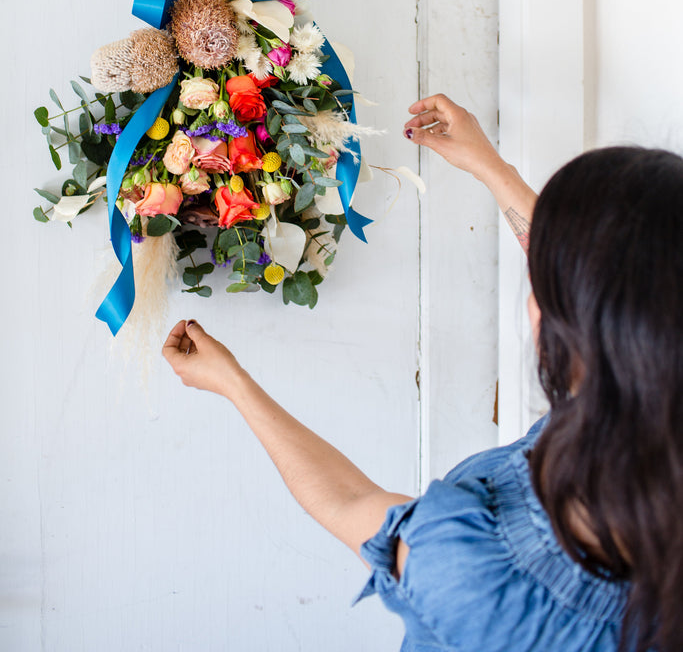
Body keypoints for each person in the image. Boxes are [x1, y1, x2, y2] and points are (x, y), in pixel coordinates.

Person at [163, 93, 683, 652]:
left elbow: (345, 501)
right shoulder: (647, 408)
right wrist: (491, 166)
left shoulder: (485, 571)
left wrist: (232, 383)